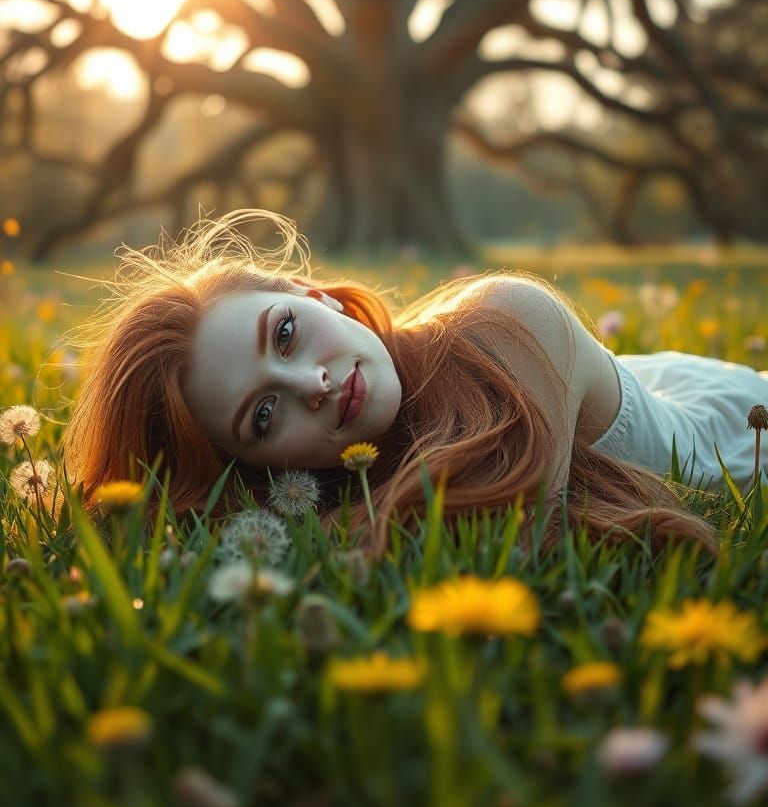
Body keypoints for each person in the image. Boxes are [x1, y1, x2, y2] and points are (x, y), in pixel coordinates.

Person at [63, 210, 768, 557]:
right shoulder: (342, 478)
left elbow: (505, 543)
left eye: (285, 333)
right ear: (255, 469)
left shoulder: (510, 316)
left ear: (313, 294)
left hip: (738, 415)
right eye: (264, 416)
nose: (312, 383)